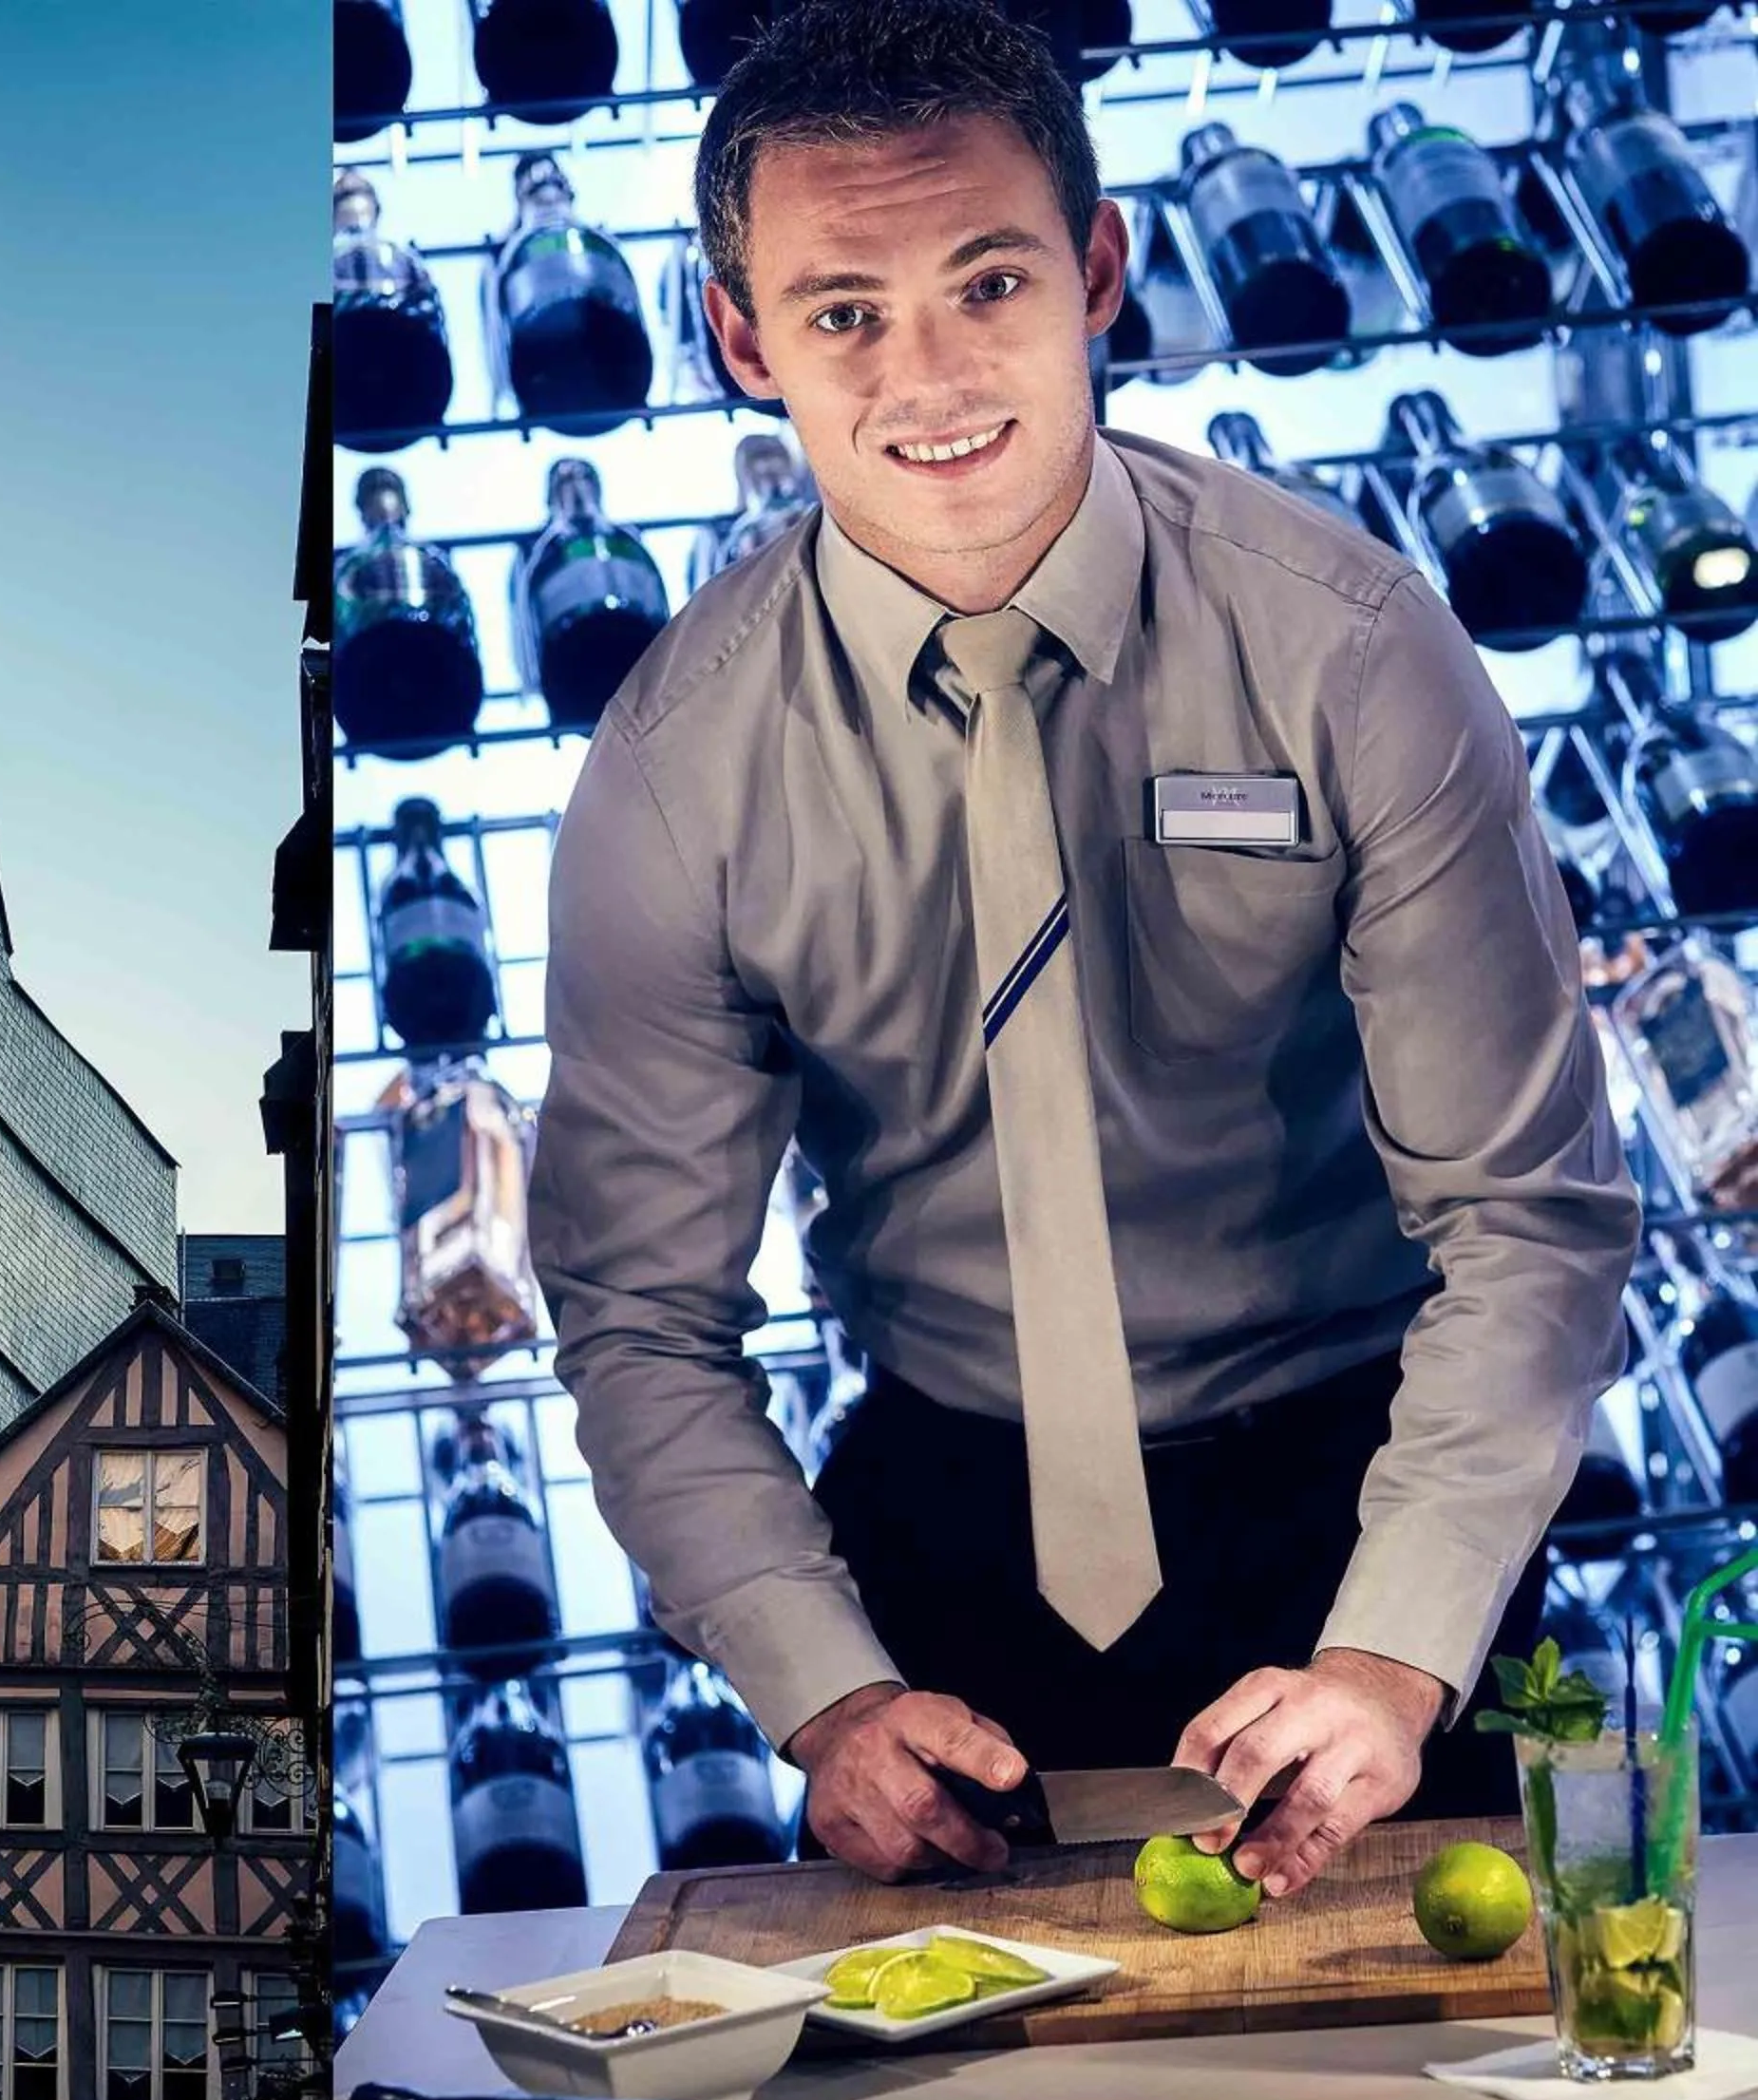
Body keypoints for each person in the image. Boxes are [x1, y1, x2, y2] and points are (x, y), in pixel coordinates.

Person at [525, 0, 1640, 1898]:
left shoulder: (1354, 652)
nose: (932, 375)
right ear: (741, 341)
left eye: (989, 282)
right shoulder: (674, 771)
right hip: (944, 1551)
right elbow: (640, 1315)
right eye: (844, 312)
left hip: (1376, 1492)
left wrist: (1397, 1651)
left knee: (1445, 2030)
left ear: (1100, 270)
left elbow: (1526, 1217)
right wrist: (822, 1695)